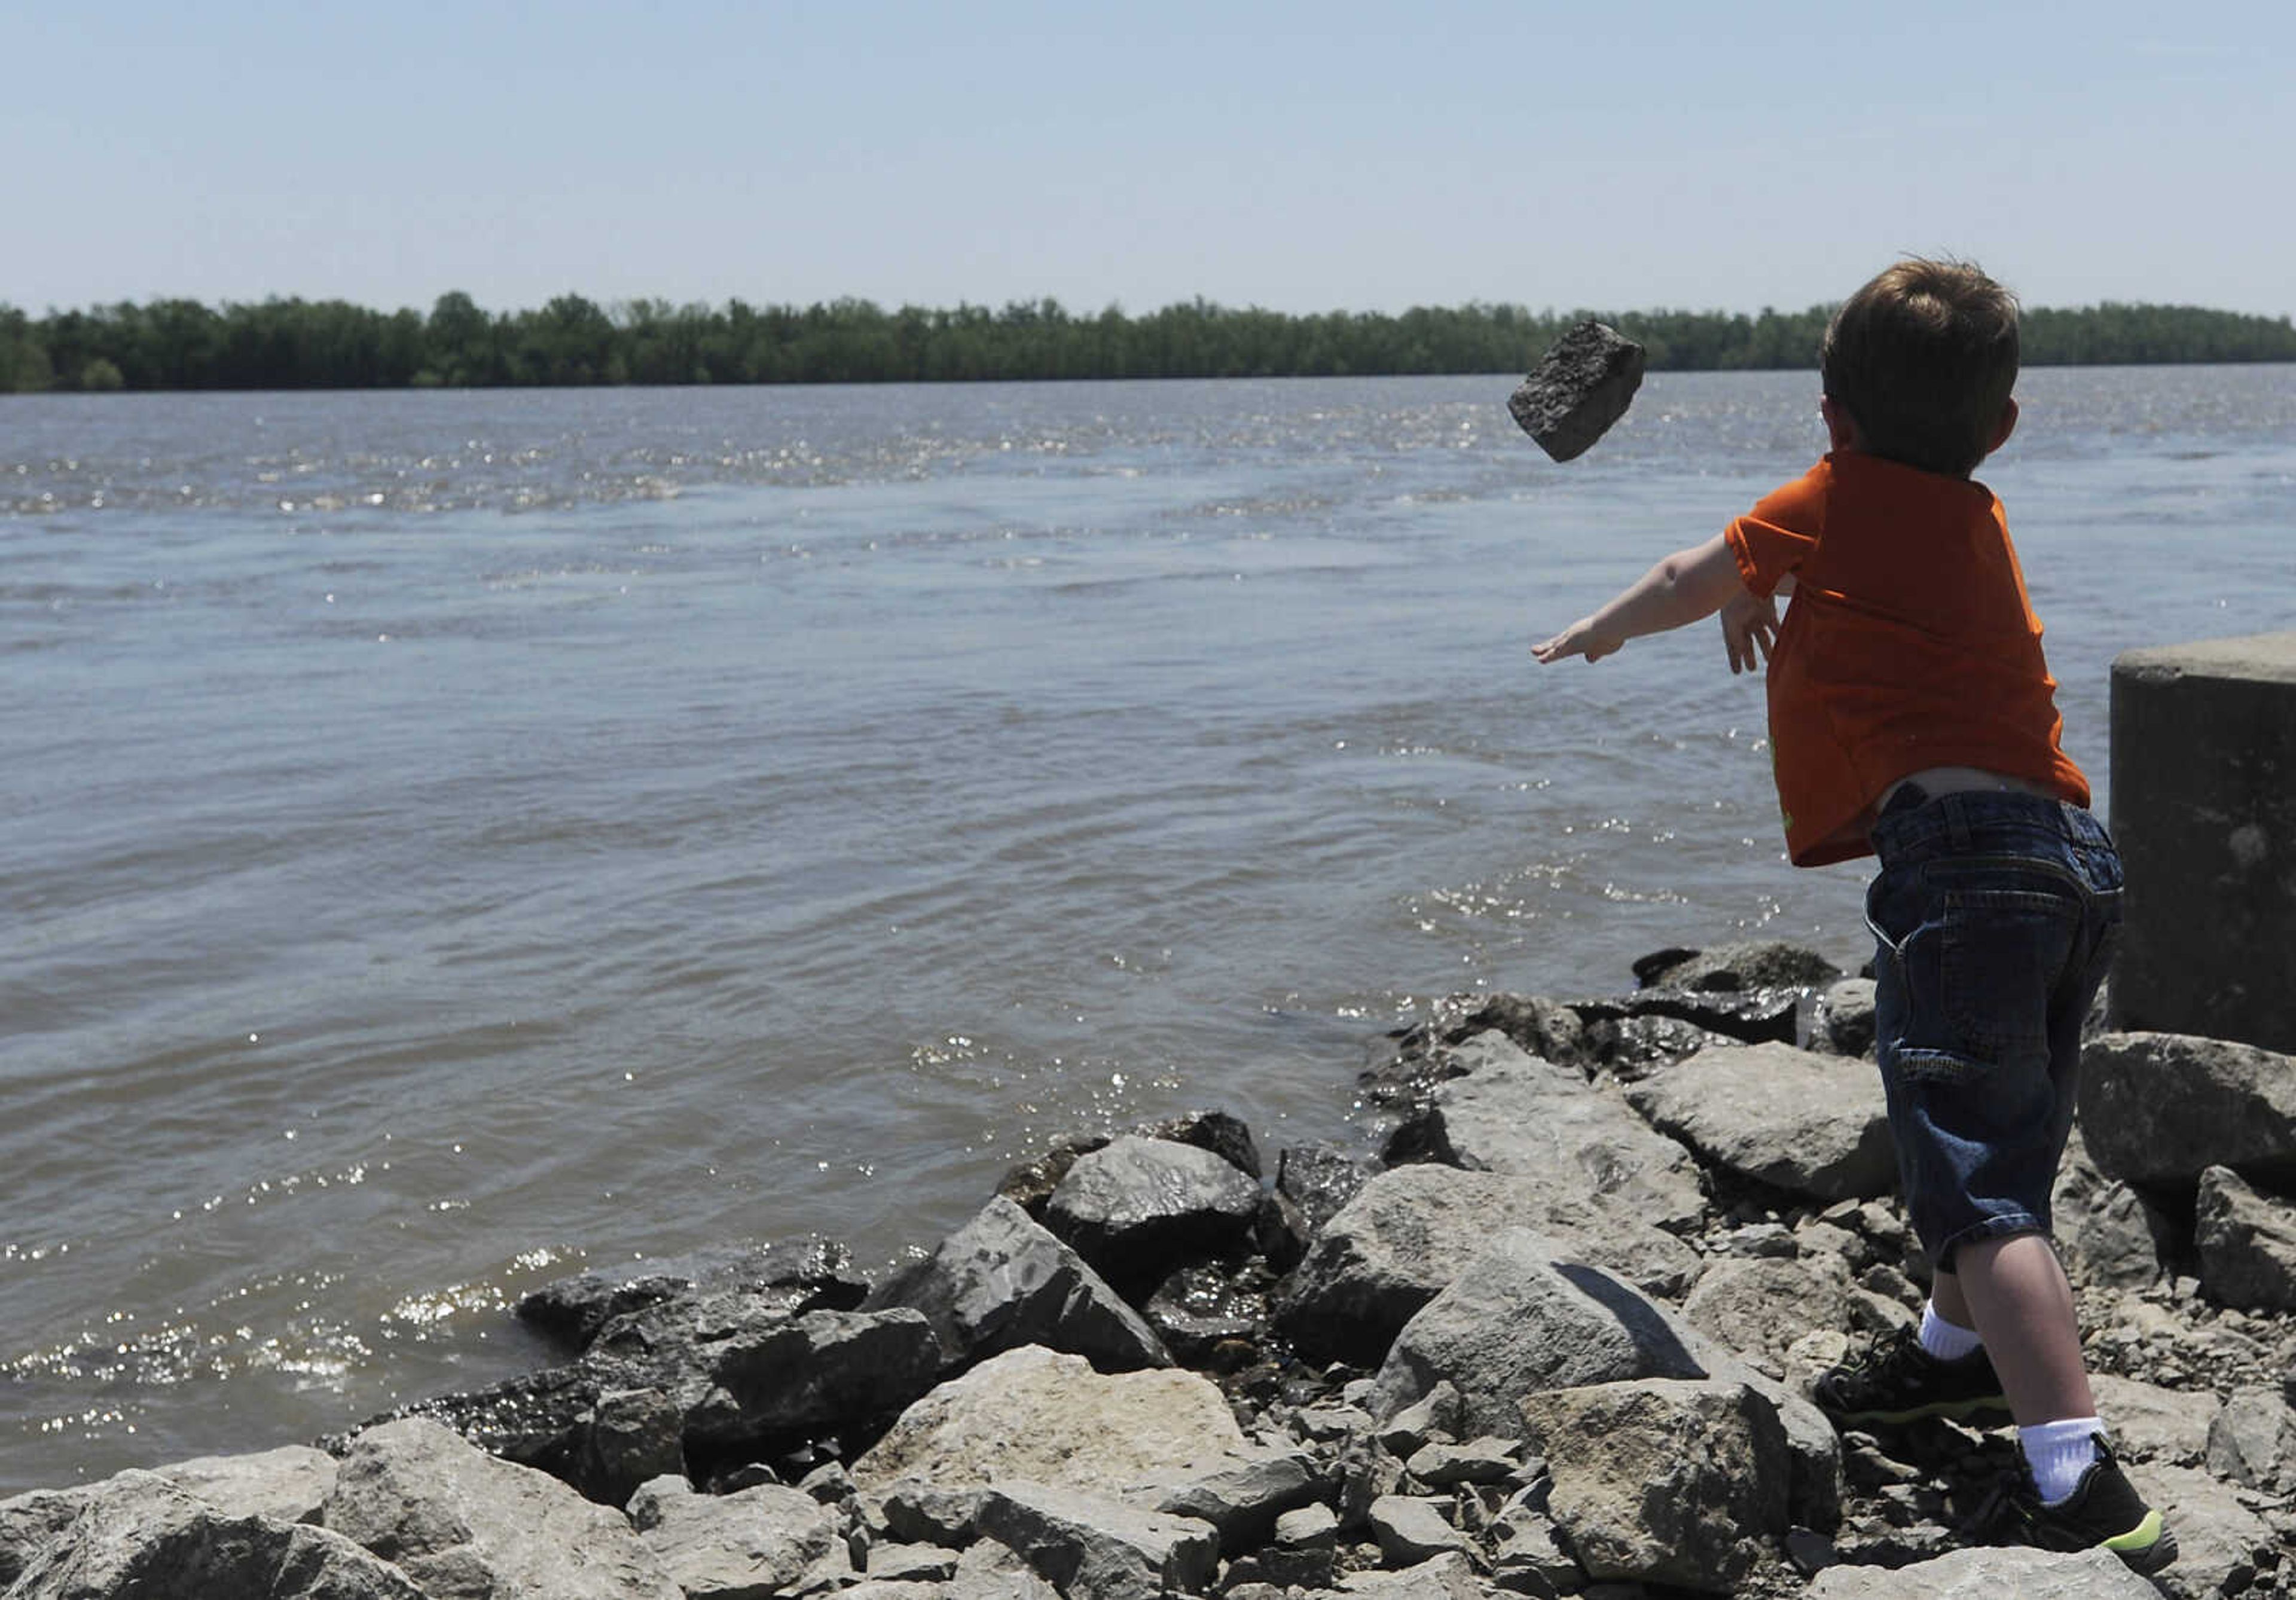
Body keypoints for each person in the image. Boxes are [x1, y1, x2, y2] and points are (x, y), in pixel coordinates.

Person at [1530, 258, 2173, 1574]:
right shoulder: (1979, 518)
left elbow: (1686, 573)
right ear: (1999, 429)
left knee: (1986, 1199)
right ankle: (1949, 1362)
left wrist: (1597, 632)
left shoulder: (1822, 498)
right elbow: (1883, 604)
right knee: (1999, 1134)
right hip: (2073, 861)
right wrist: (1788, 584)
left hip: (1959, 874)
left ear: (1830, 415)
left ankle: (2076, 1473)